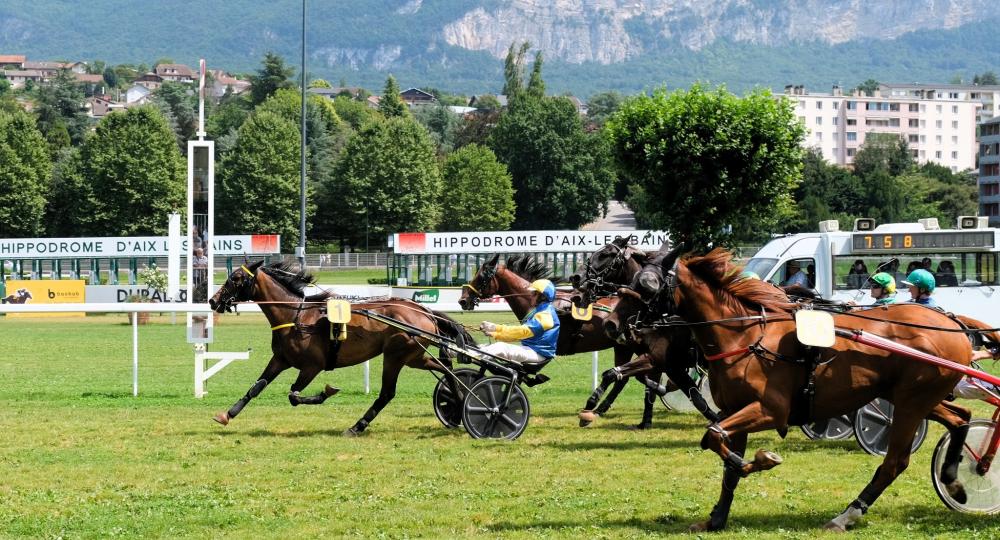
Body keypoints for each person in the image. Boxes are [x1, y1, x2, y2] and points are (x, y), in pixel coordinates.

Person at [479, 279, 560, 365]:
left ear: (542, 296)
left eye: (533, 293)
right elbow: (520, 334)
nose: (530, 296)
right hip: (532, 350)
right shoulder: (540, 310)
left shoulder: (546, 315)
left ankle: (472, 355)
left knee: (500, 347)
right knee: (485, 347)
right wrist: (496, 331)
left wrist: (496, 330)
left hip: (538, 354)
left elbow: (522, 332)